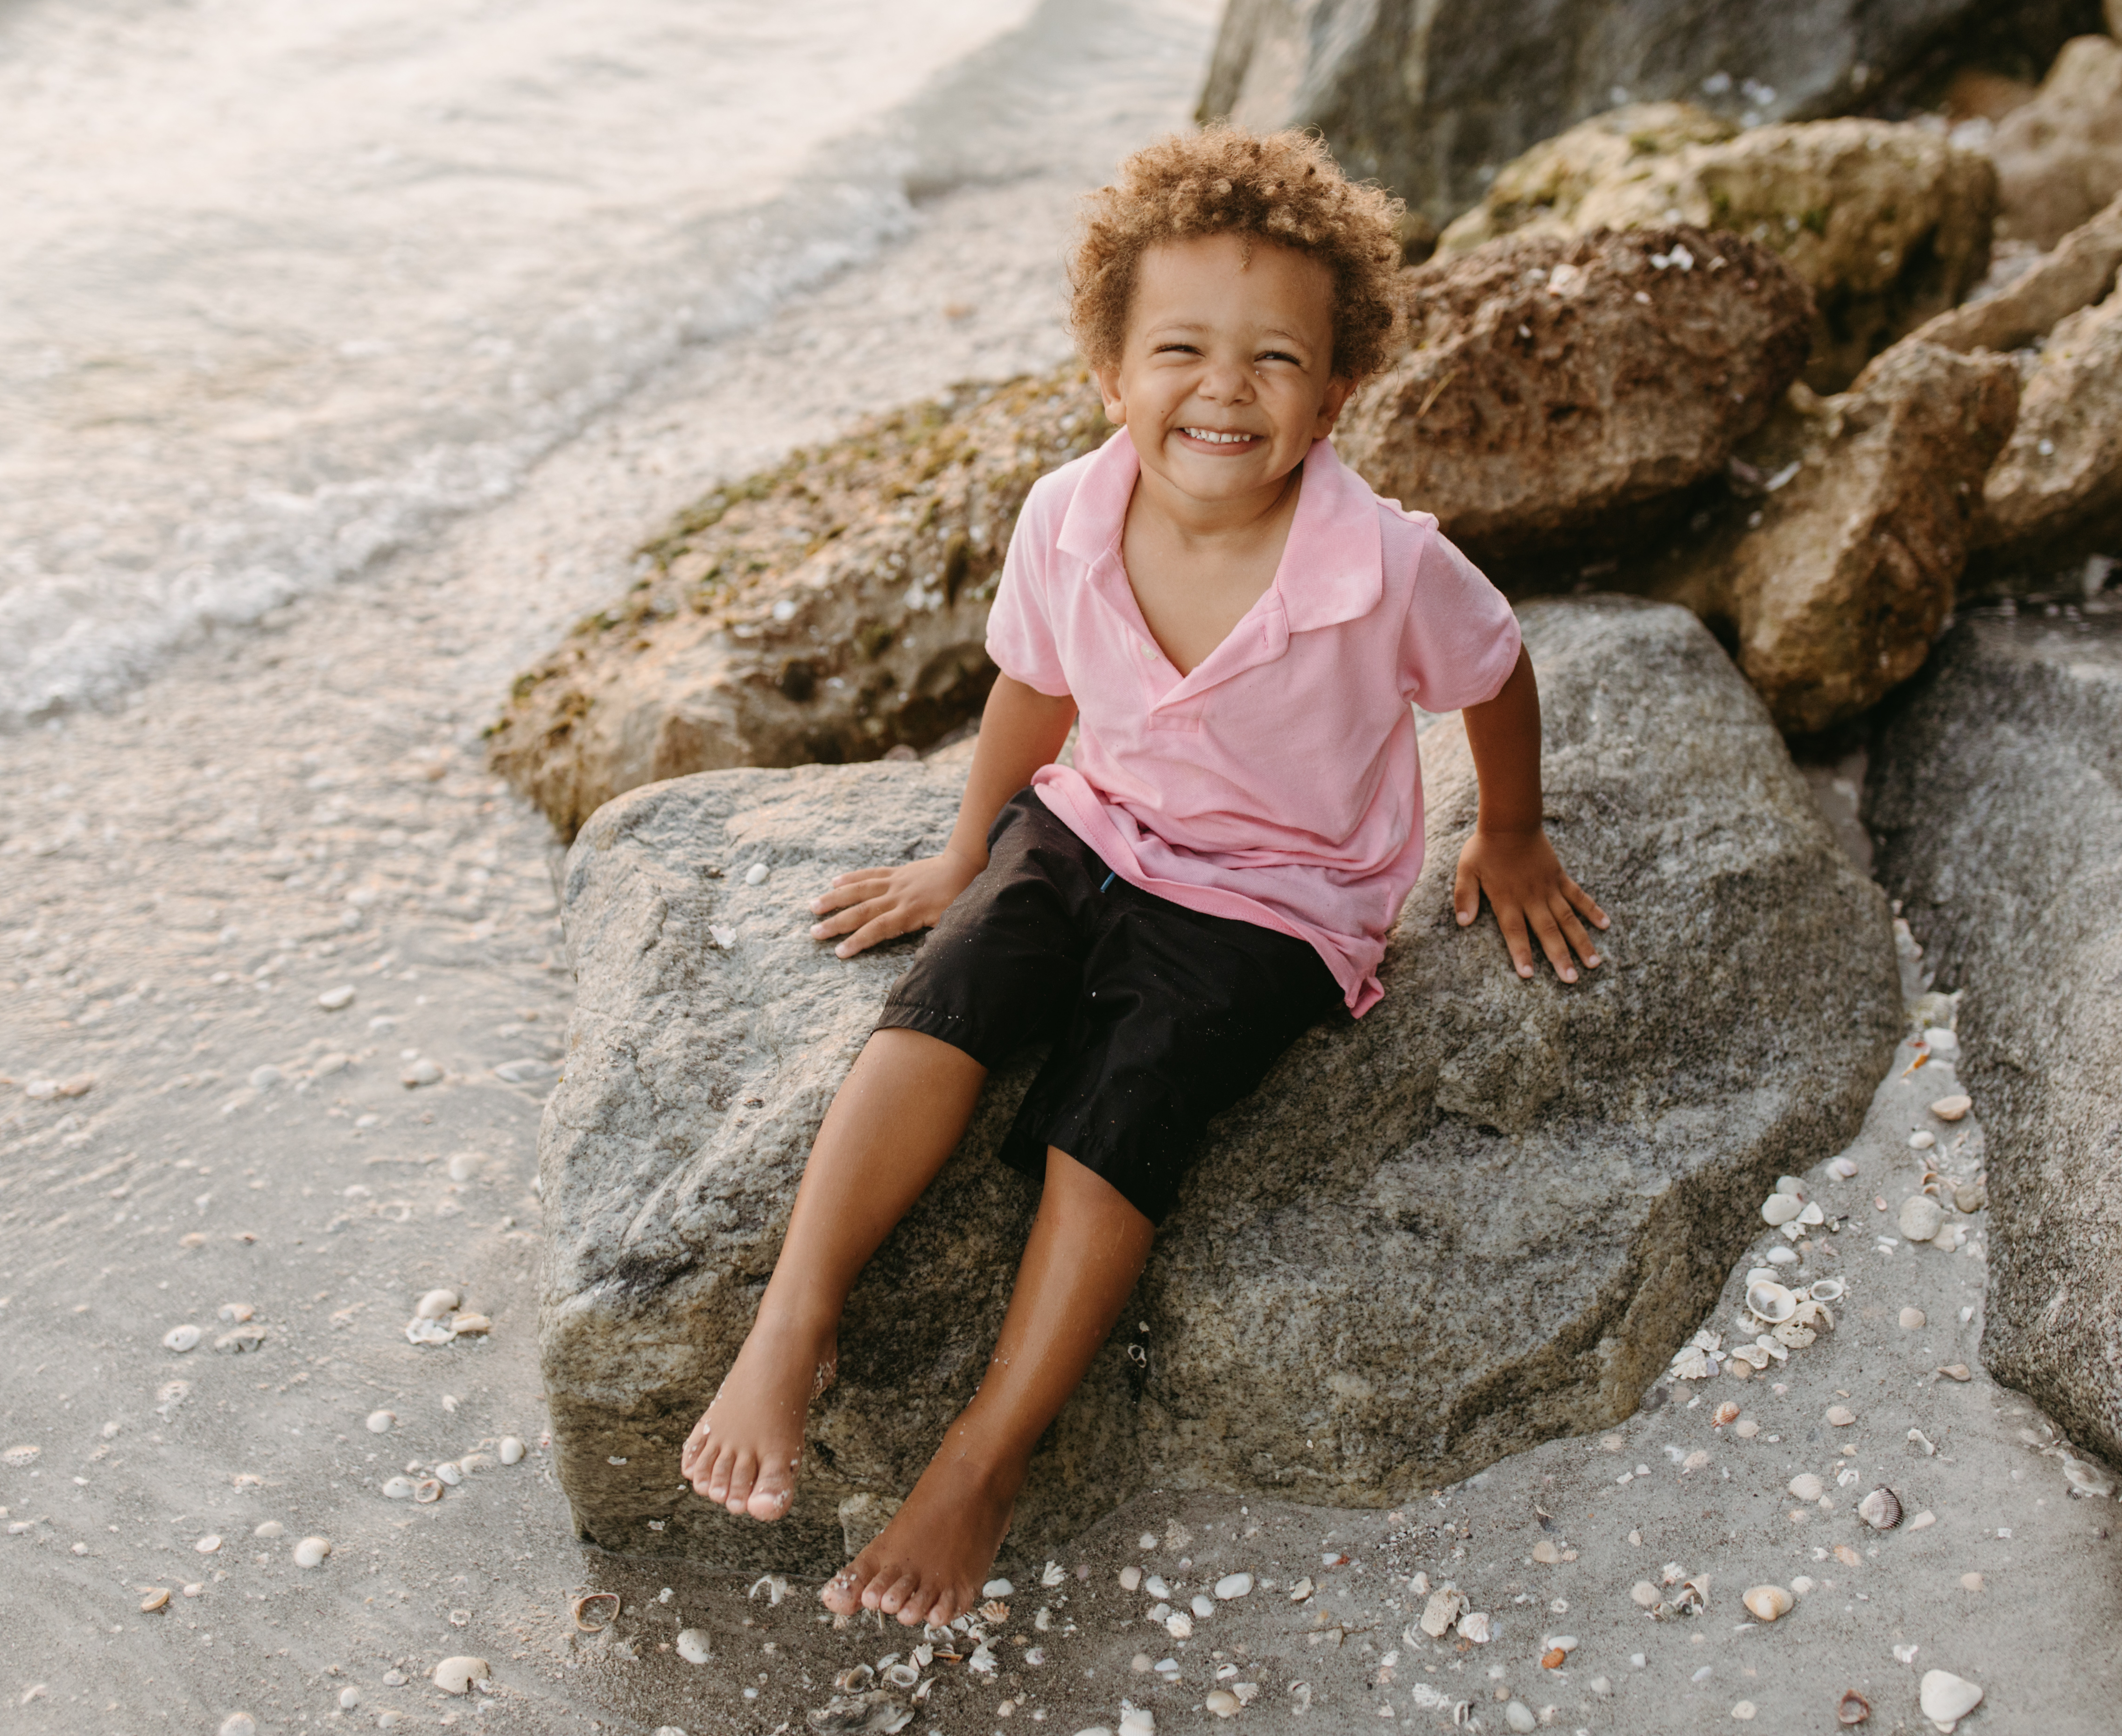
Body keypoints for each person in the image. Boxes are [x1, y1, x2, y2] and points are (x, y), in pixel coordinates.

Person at [676, 126, 1610, 1626]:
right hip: (1092, 822)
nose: (1224, 388)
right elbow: (1033, 695)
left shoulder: (1385, 565)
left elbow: (1495, 674)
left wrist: (1506, 831)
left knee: (1127, 1094)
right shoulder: (1068, 515)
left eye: (1274, 359)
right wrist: (966, 851)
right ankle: (797, 1315)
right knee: (956, 990)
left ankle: (984, 1460)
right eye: (1179, 347)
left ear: (1339, 391)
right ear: (1112, 374)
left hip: (1279, 895)